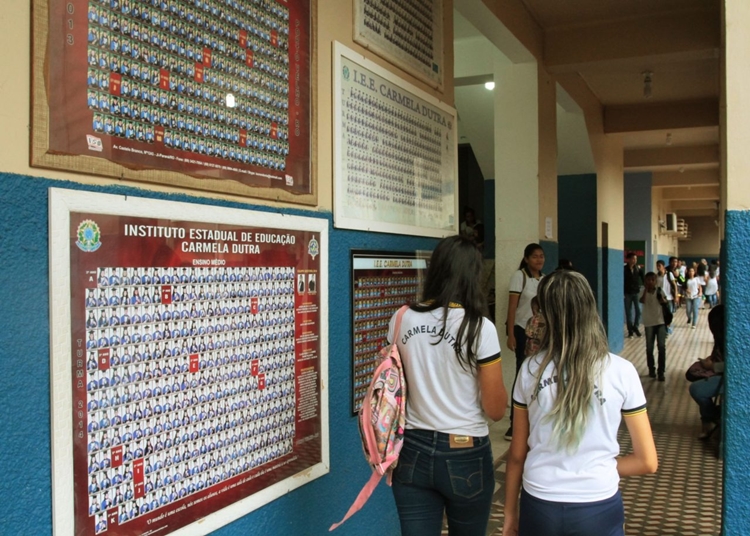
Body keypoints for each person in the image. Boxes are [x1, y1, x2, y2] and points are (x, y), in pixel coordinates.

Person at [503, 270, 658, 536]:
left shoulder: (530, 370)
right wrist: (595, 468)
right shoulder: (622, 371)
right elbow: (647, 461)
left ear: (547, 316)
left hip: (540, 504)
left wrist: (509, 516)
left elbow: (517, 455)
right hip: (598, 504)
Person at [388, 235, 507, 536]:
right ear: (473, 275)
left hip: (411, 449)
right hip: (465, 452)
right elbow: (495, 410)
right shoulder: (480, 328)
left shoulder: (401, 319)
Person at [505, 243, 545, 440]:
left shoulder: (545, 280)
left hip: (540, 333)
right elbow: (512, 308)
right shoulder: (519, 277)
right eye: (535, 256)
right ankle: (514, 423)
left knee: (537, 373)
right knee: (522, 372)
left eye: (541, 256)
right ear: (527, 258)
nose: (539, 260)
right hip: (522, 331)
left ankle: (533, 419)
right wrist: (510, 333)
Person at [688, 305, 724, 438]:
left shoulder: (730, 338)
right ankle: (710, 419)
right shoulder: (721, 338)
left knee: (696, 389)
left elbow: (735, 366)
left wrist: (712, 366)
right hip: (720, 374)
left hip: (727, 378)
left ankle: (711, 417)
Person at [640, 272, 668, 381]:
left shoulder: (660, 291)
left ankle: (661, 371)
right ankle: (651, 369)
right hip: (648, 323)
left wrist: (663, 300)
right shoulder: (643, 291)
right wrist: (646, 291)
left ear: (655, 281)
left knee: (661, 347)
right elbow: (642, 301)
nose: (650, 282)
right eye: (648, 280)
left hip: (660, 322)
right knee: (649, 347)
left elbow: (665, 302)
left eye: (652, 280)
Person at [624, 253, 644, 338]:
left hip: (636, 292)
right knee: (629, 313)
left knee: (638, 311)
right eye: (633, 259)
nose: (634, 260)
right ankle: (630, 331)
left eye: (636, 259)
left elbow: (643, 278)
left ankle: (635, 327)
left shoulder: (638, 269)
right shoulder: (624, 269)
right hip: (627, 293)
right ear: (628, 259)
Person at [656, 260, 677, 334]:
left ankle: (668, 327)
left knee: (669, 314)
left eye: (659, 266)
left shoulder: (669, 274)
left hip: (669, 297)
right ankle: (664, 329)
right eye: (657, 266)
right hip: (661, 298)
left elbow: (674, 285)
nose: (658, 267)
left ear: (663, 266)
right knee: (662, 314)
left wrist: (676, 295)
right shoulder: (657, 276)